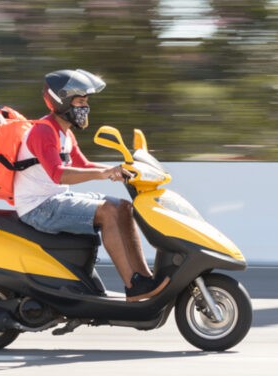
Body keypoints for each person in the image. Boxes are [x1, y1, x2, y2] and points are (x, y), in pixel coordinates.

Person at [12, 69, 169, 302]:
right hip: (38, 207)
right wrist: (104, 173)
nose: (85, 107)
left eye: (86, 102)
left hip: (54, 199)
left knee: (123, 206)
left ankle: (144, 279)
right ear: (62, 101)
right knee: (107, 211)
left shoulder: (64, 133)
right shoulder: (43, 131)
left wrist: (122, 169)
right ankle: (132, 285)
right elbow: (59, 175)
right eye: (80, 101)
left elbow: (83, 165)